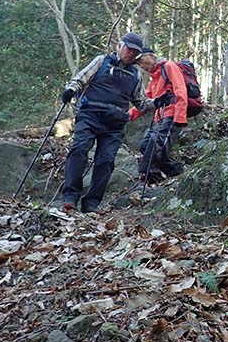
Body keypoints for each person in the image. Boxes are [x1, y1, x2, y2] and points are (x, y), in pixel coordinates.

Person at [60, 32, 174, 213]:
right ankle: (70, 197)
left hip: (115, 123)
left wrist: (158, 101)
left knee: (106, 161)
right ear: (119, 46)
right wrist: (70, 90)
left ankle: (92, 203)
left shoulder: (135, 75)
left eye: (135, 52)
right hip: (90, 115)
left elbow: (141, 103)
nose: (130, 54)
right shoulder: (102, 61)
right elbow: (80, 79)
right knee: (79, 149)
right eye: (128, 49)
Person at [132, 47, 189, 184]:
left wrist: (179, 117)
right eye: (138, 63)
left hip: (171, 114)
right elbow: (144, 103)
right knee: (145, 146)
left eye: (141, 60)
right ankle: (176, 170)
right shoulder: (154, 79)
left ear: (151, 56)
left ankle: (150, 175)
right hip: (159, 118)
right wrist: (126, 116)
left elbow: (181, 91)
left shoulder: (169, 67)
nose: (141, 65)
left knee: (156, 144)